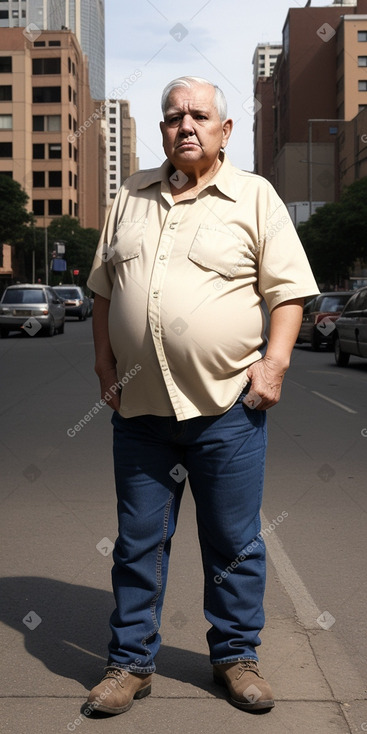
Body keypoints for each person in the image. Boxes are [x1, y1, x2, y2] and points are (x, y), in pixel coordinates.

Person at [85, 76, 319, 716]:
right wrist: (103, 361)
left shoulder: (254, 196)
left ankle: (236, 657)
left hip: (227, 409)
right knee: (137, 542)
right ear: (163, 129)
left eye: (199, 116)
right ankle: (130, 663)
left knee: (234, 540)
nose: (185, 125)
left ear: (224, 130)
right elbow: (104, 288)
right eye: (173, 117)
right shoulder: (129, 195)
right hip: (139, 413)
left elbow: (288, 291)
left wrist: (273, 366)